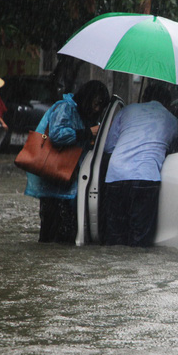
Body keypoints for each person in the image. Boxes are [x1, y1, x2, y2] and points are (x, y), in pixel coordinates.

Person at [24, 80, 110, 244]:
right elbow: (57, 135)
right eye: (96, 103)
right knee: (55, 233)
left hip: (69, 180)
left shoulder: (85, 116)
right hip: (56, 178)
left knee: (66, 234)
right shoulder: (65, 108)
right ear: (87, 97)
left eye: (101, 106)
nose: (97, 109)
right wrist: (87, 133)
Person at [102, 82, 178, 247]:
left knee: (115, 237)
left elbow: (108, 146)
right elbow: (173, 148)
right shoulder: (171, 120)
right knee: (140, 238)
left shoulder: (127, 110)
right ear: (167, 102)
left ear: (144, 97)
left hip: (116, 176)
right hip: (146, 177)